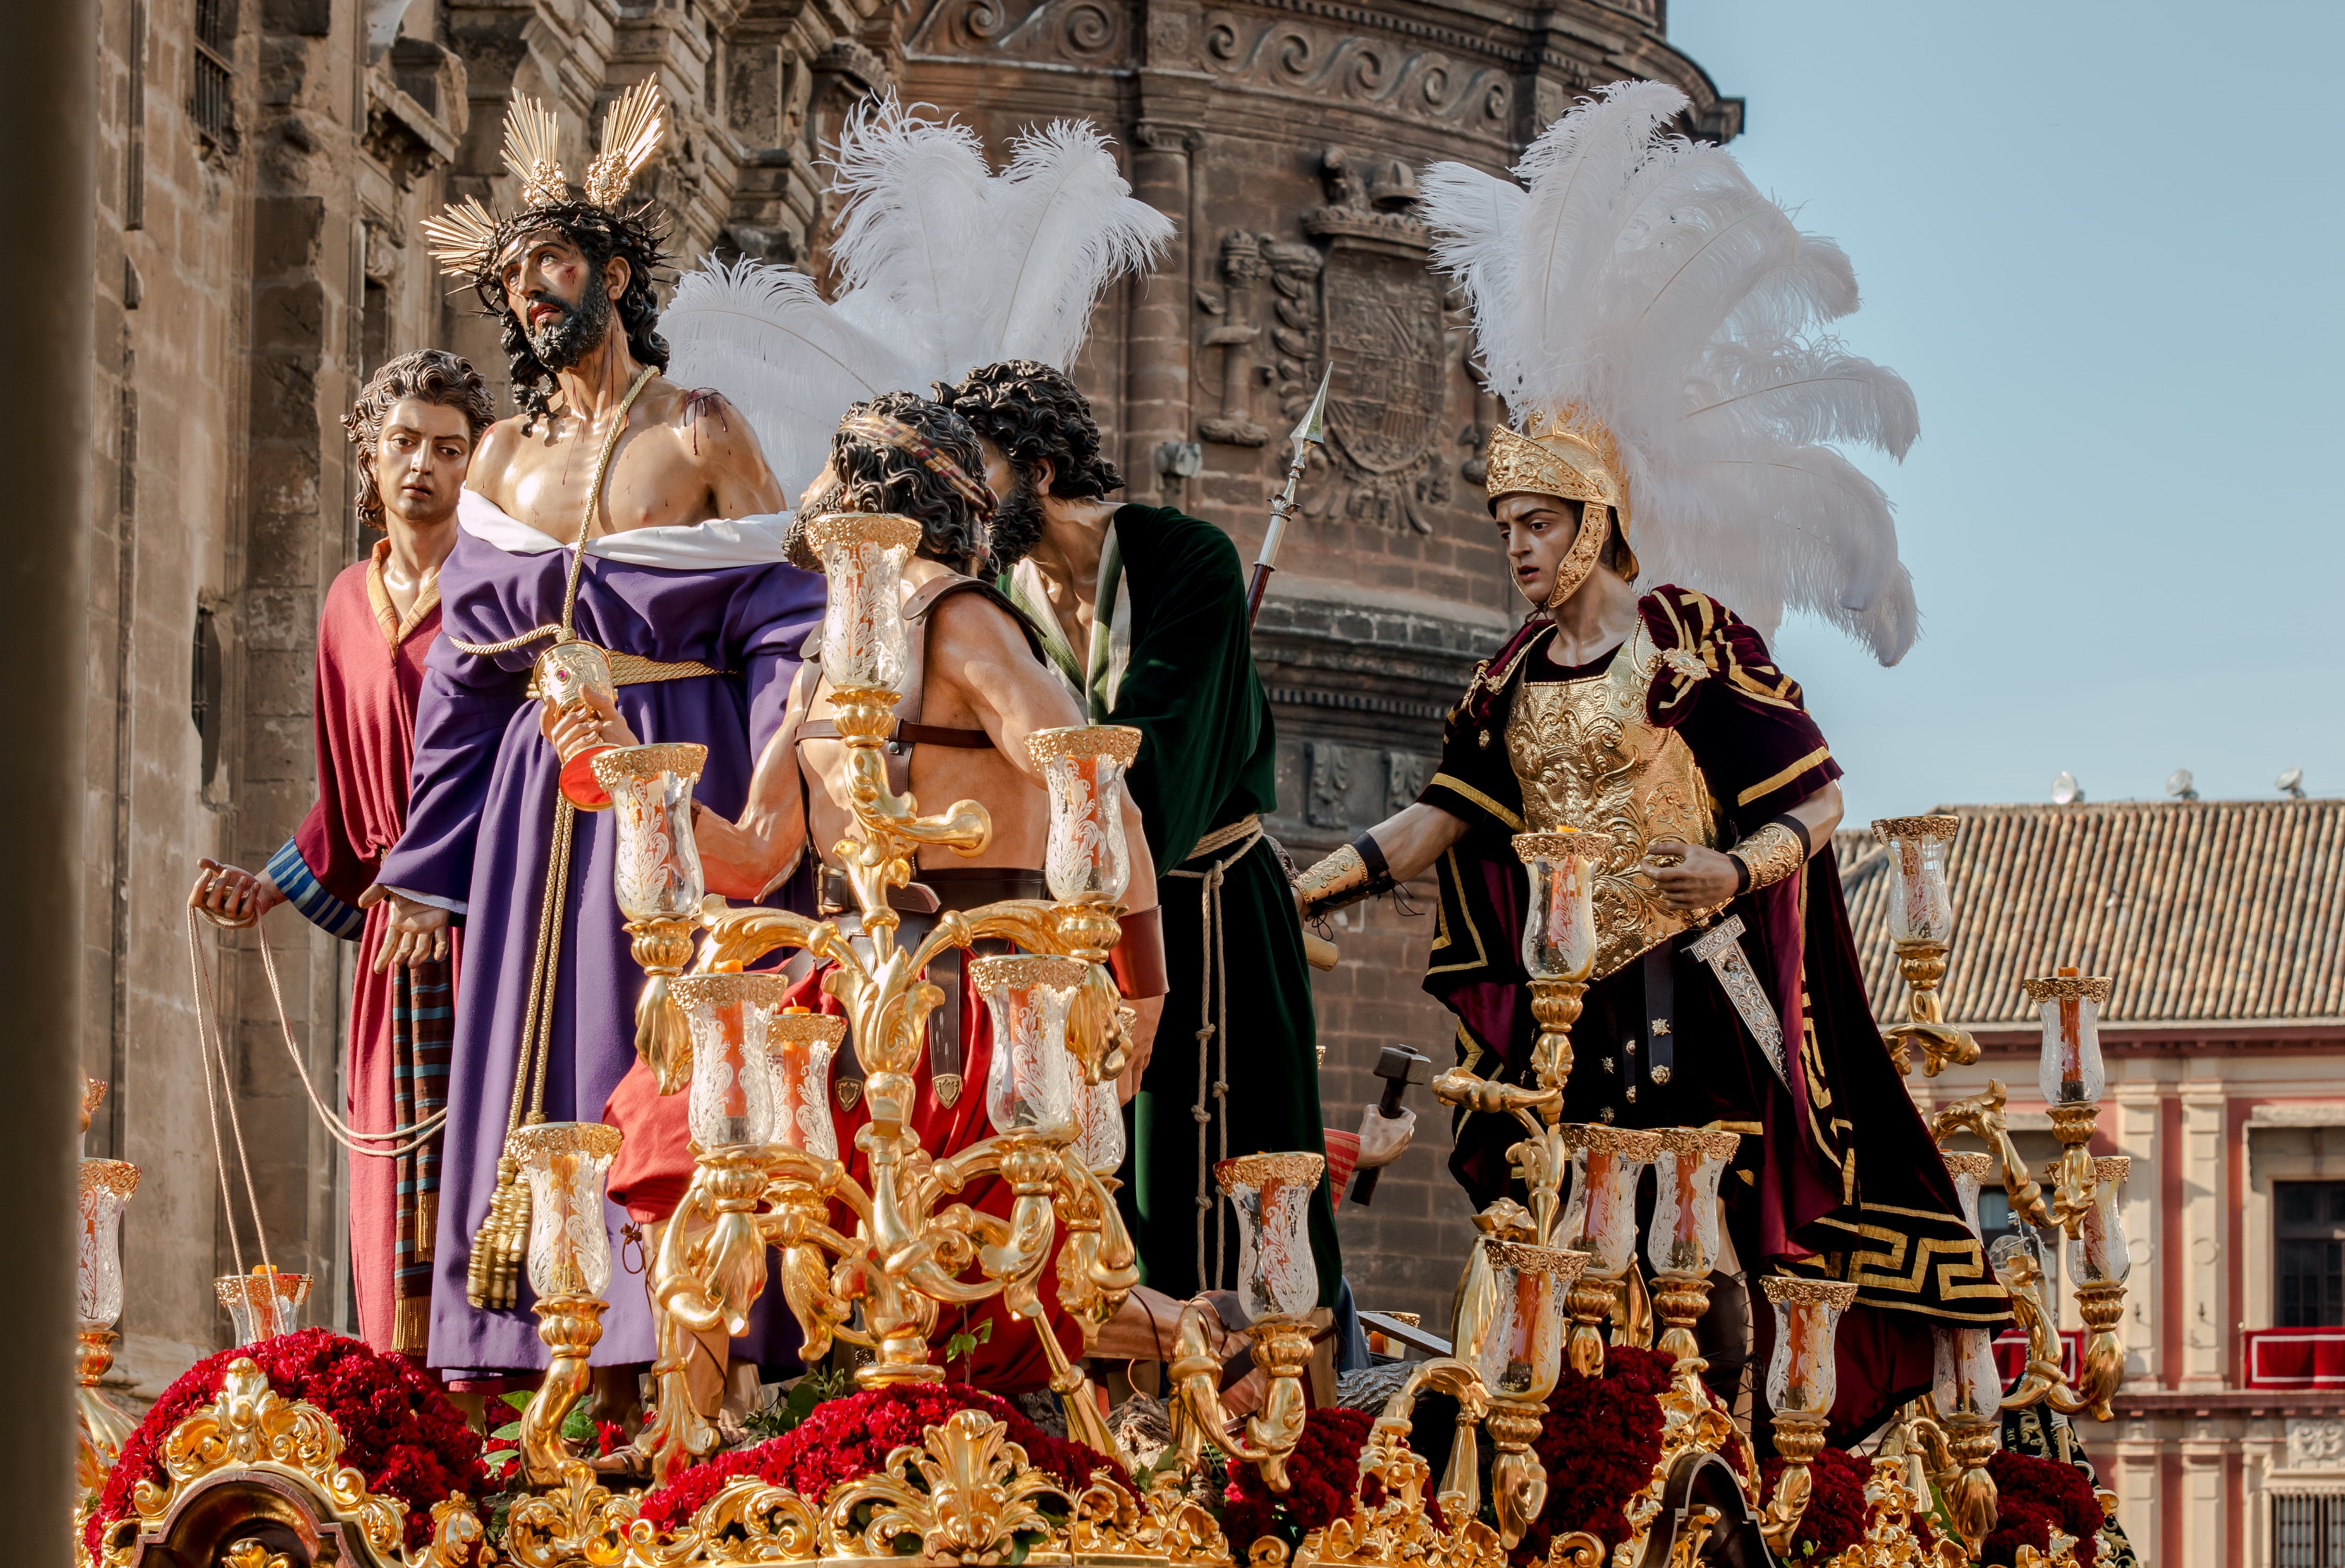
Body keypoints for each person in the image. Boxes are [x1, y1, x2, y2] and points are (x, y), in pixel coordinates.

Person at [1291, 82, 2005, 1441]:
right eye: (1506, 522)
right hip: (1567, 992)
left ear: (1598, 519)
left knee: (1699, 1233)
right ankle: (1577, 1449)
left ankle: (1726, 1440)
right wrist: (1302, 892)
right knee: (1560, 1231)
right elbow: (1440, 818)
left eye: (1540, 521)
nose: (1517, 546)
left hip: (1695, 974)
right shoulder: (1505, 672)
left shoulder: (1688, 644)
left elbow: (1819, 794)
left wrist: (1729, 863)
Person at [588, 392, 1169, 1393]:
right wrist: (622, 764)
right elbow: (753, 856)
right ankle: (684, 1454)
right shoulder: (831, 647)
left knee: (989, 1288)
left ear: (871, 485)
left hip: (972, 987)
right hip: (844, 981)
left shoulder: (964, 618)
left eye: (823, 469)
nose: (802, 492)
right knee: (669, 1134)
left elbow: (1098, 788)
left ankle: (1223, 1346)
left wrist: (1139, 983)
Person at [382, 83, 822, 1384]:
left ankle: (678, 1340)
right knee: (533, 1047)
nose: (532, 290)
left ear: (617, 272)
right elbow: (464, 675)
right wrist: (423, 862)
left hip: (677, 763)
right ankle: (533, 1353)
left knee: (657, 1042)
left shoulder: (702, 430)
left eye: (556, 262)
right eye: (515, 272)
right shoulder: (506, 459)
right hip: (536, 798)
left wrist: (777, 801)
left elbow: (788, 617)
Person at [937, 362, 1343, 1311]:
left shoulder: (1185, 558)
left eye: (979, 471)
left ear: (1038, 470)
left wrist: (1075, 859)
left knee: (1234, 1195)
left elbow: (1166, 759)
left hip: (1210, 916)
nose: (961, 497)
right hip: (1066, 929)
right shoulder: (992, 595)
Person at [191, 349, 496, 1355]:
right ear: (369, 454)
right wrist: (271, 886)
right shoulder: (338, 605)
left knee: (485, 1175)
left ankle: (500, 1413)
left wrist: (445, 881)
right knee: (390, 1188)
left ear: (474, 465)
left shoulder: (500, 597)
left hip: (485, 930)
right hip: (388, 948)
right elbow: (345, 792)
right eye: (404, 442)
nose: (424, 466)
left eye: (449, 449)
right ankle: (406, 1399)